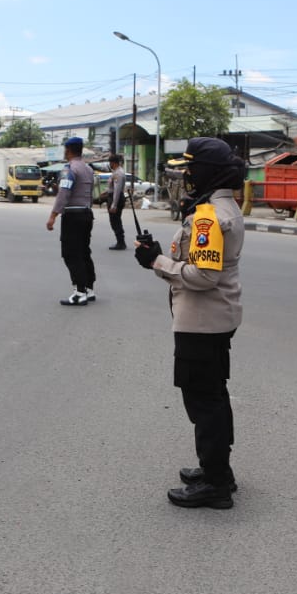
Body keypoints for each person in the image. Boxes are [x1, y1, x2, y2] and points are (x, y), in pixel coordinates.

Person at [134, 137, 245, 509]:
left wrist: (157, 262)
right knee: (213, 395)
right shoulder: (217, 207)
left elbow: (203, 276)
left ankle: (214, 483)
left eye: (190, 167)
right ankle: (218, 471)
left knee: (203, 402)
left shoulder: (209, 216)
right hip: (214, 318)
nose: (186, 173)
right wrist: (158, 259)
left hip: (202, 320)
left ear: (209, 172)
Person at [46, 136, 95, 305]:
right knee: (84, 251)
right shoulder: (88, 169)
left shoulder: (69, 169)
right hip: (87, 214)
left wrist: (53, 215)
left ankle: (79, 292)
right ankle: (89, 288)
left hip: (73, 216)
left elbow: (64, 193)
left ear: (68, 150)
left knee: (71, 253)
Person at [106, 153, 127, 250]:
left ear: (113, 163)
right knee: (115, 220)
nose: (109, 164)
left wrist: (114, 205)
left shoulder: (118, 173)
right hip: (114, 197)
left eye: (110, 162)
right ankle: (120, 241)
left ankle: (121, 242)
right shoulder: (116, 172)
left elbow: (117, 190)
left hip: (116, 199)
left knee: (115, 221)